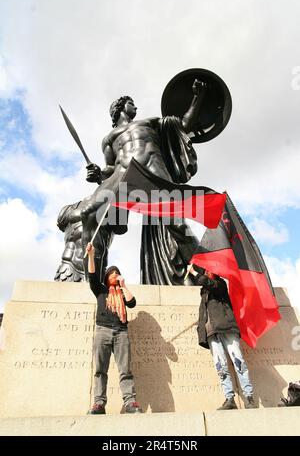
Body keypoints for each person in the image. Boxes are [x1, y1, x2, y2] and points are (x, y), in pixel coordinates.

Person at [82, 79, 206, 285]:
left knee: (176, 224)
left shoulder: (150, 122)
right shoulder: (108, 138)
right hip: (124, 180)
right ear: (120, 107)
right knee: (91, 216)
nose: (135, 106)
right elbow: (110, 168)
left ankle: (205, 271)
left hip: (153, 175)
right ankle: (93, 281)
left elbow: (184, 124)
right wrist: (98, 174)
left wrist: (198, 97)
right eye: (131, 102)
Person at [188, 264, 258, 410]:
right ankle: (229, 398)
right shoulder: (204, 291)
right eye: (206, 270)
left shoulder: (219, 284)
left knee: (238, 362)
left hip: (227, 328)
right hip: (211, 333)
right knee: (221, 367)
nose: (208, 272)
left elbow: (208, 283)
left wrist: (193, 272)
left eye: (210, 271)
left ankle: (249, 397)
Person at [86, 242, 142, 414]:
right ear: (106, 277)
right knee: (99, 370)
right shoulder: (101, 290)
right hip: (103, 330)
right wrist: (91, 255)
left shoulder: (122, 293)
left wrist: (123, 286)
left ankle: (130, 402)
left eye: (117, 273)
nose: (115, 274)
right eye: (112, 273)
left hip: (121, 332)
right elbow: (92, 275)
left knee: (125, 369)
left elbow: (132, 303)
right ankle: (99, 403)